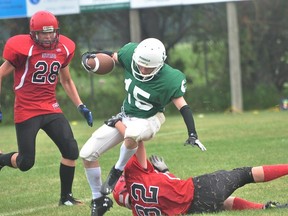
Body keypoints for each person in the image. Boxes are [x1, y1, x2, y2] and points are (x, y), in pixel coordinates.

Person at [80, 37, 206, 215]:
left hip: (150, 119)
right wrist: (92, 56)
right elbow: (113, 57)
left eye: (149, 67)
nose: (143, 69)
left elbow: (183, 106)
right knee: (87, 154)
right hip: (125, 115)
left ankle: (117, 170)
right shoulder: (131, 54)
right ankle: (98, 200)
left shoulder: (170, 78)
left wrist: (192, 133)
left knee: (132, 134)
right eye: (140, 65)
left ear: (160, 64)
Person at [0, 10, 93, 206]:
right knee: (26, 162)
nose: (49, 36)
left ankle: (65, 198)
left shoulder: (64, 48)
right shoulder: (23, 49)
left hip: (50, 107)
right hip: (26, 109)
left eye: (52, 32)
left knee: (70, 150)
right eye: (44, 33)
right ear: (34, 33)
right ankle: (1, 159)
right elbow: (0, 74)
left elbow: (66, 80)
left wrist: (81, 105)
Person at [113, 141, 288, 215]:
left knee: (225, 202)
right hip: (202, 189)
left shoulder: (138, 208)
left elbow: (165, 192)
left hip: (195, 208)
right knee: (246, 173)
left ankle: (263, 208)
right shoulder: (138, 176)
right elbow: (136, 139)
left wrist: (165, 173)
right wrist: (165, 170)